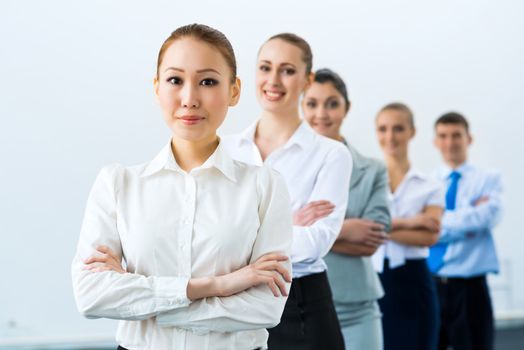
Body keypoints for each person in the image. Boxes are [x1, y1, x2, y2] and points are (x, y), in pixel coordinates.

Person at [71, 24, 294, 350]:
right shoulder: (118, 184)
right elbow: (91, 296)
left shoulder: (265, 186)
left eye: (207, 81)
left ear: (234, 91)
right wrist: (218, 285)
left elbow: (265, 308)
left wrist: (148, 305)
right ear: (157, 87)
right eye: (175, 80)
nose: (189, 99)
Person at [222, 34, 352, 350]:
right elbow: (204, 236)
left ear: (307, 80)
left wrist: (240, 238)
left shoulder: (331, 155)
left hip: (300, 303)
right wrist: (286, 224)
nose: (273, 80)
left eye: (287, 70)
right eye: (265, 68)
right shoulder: (223, 150)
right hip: (232, 303)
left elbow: (315, 242)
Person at [300, 68, 390, 350]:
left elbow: (373, 238)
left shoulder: (372, 169)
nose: (322, 113)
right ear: (301, 107)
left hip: (357, 306)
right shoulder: (283, 165)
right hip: (299, 302)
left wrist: (310, 232)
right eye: (312, 103)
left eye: (332, 103)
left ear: (346, 108)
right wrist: (345, 229)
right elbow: (273, 234)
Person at [428, 112, 503, 350]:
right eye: (443, 136)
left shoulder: (488, 178)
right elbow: (420, 231)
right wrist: (469, 216)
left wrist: (438, 222)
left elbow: (487, 218)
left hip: (471, 290)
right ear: (435, 142)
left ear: (468, 139)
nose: (450, 142)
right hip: (433, 285)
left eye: (456, 135)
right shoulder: (426, 183)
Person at [373, 102, 444, 350]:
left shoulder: (430, 185)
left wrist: (379, 228)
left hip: (413, 282)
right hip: (373, 281)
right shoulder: (367, 181)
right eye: (383, 129)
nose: (390, 136)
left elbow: (429, 237)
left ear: (412, 132)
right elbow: (353, 227)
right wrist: (412, 222)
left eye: (398, 129)